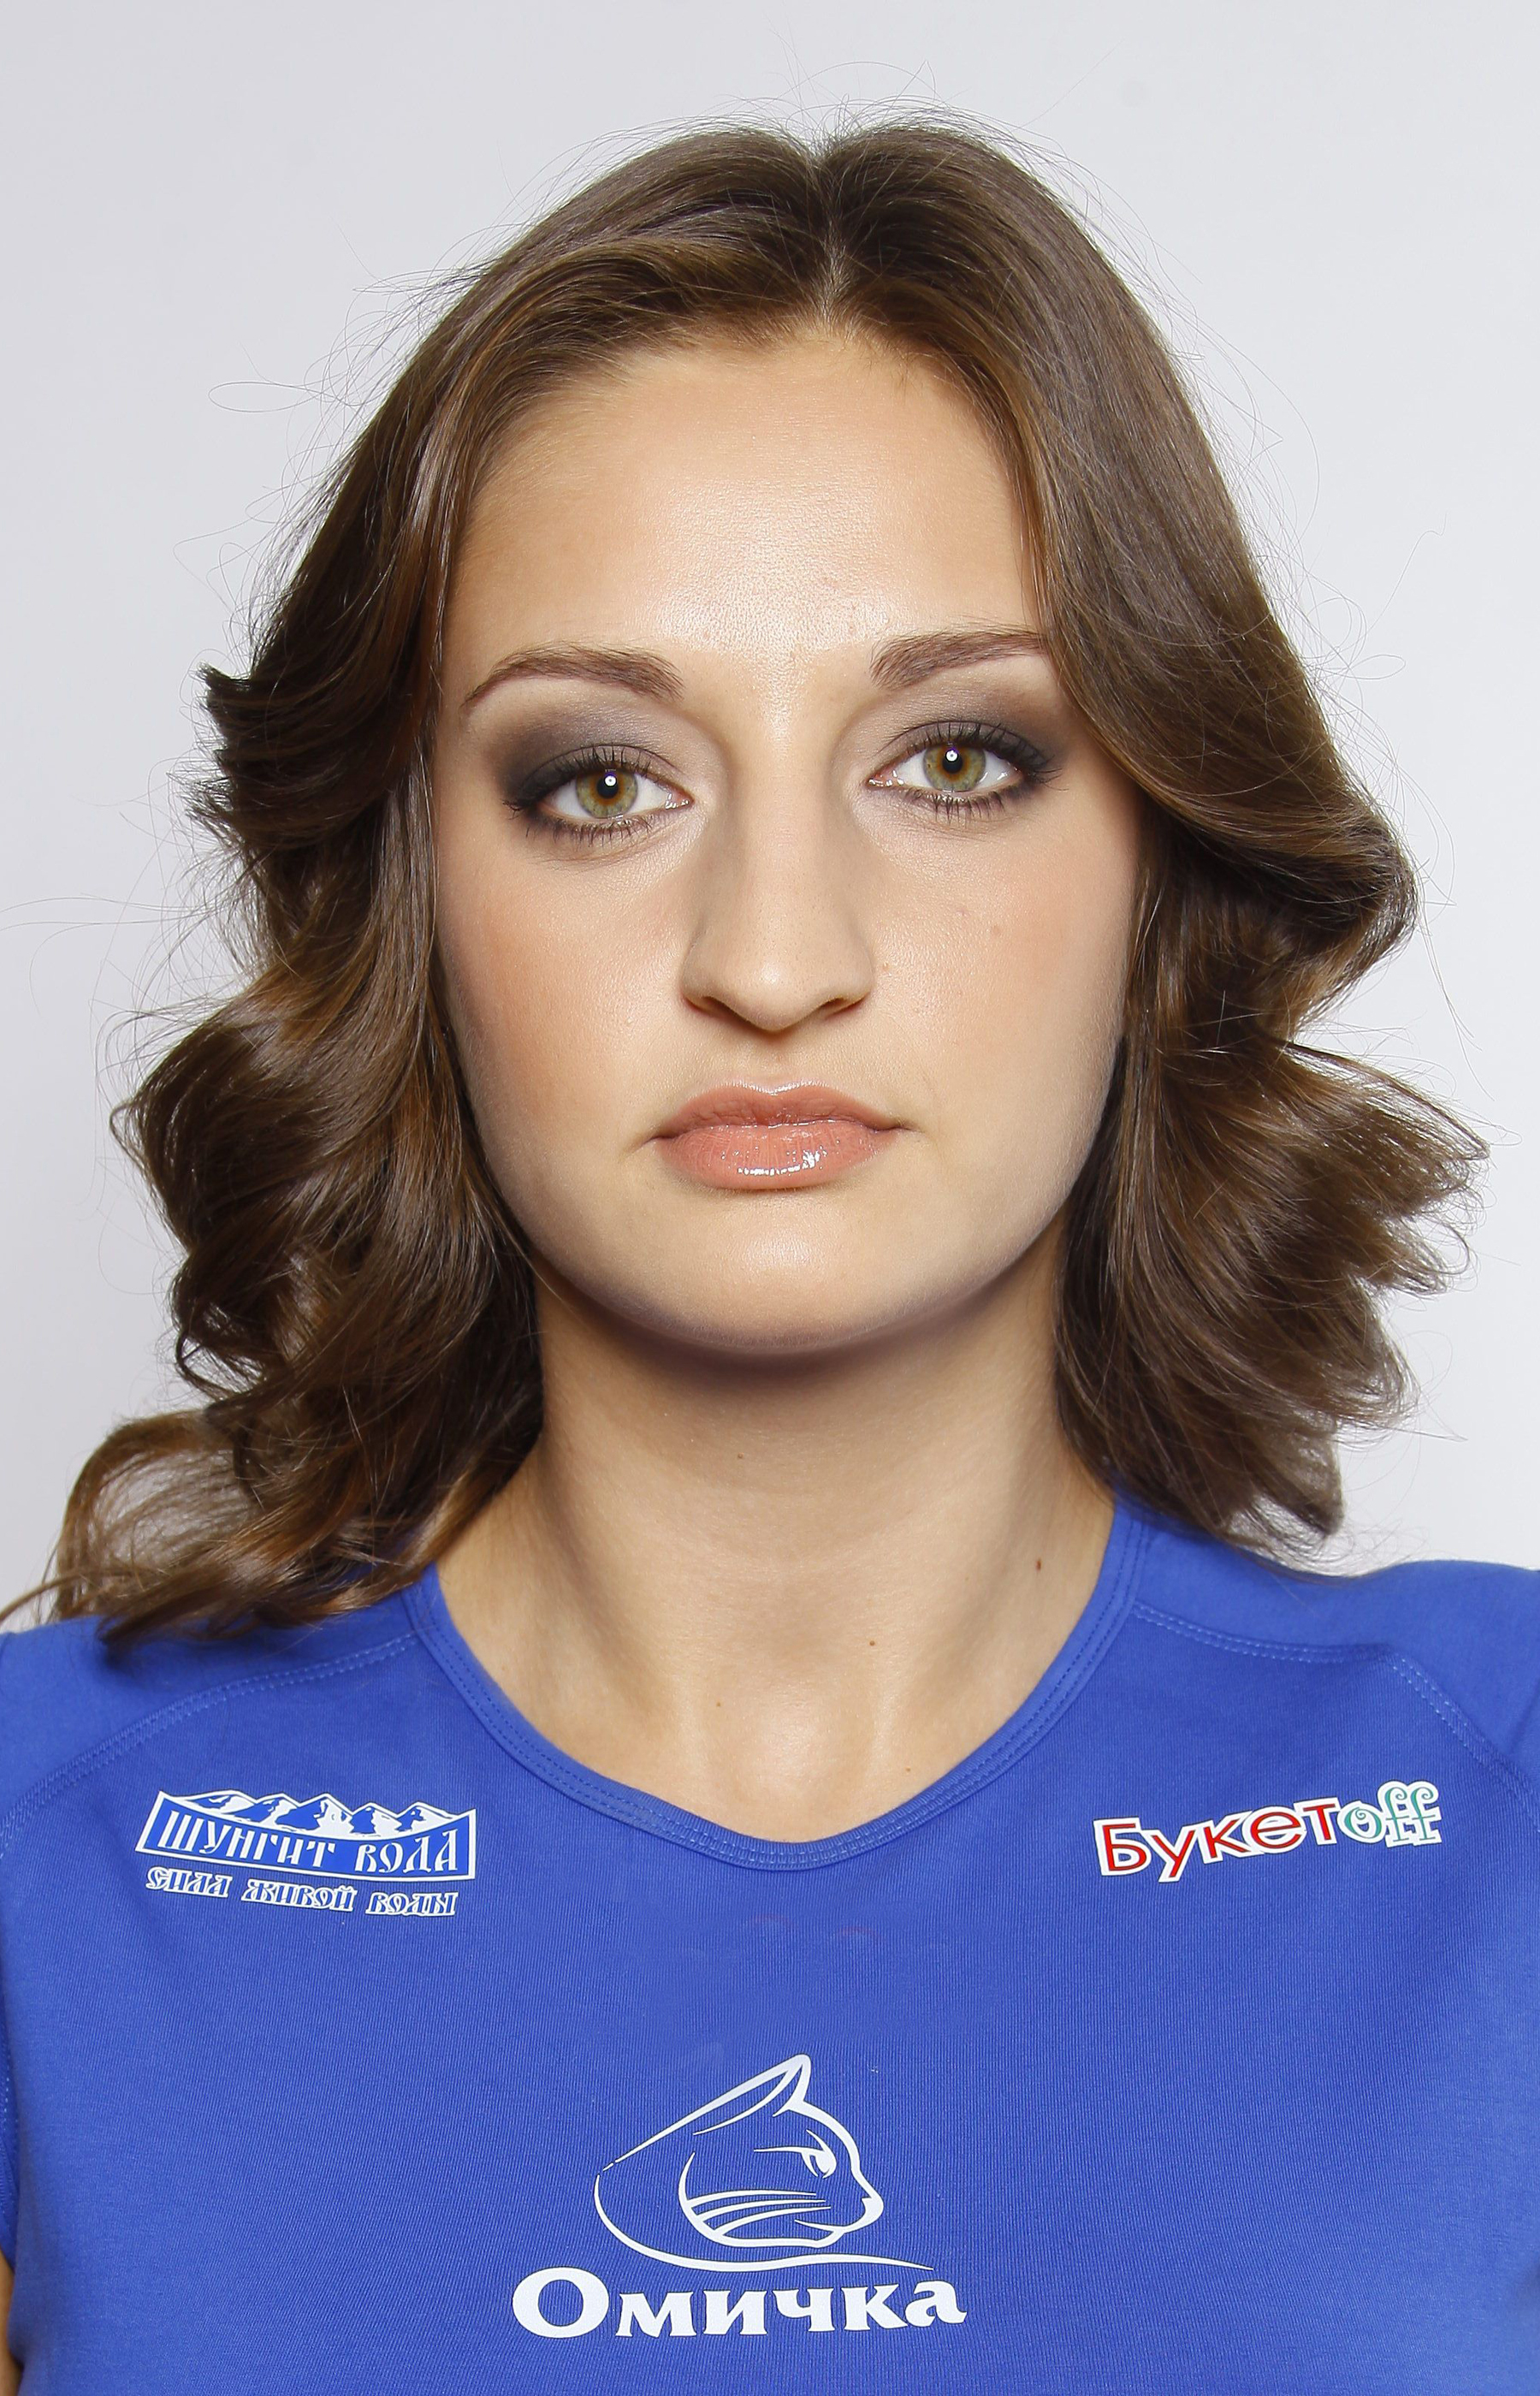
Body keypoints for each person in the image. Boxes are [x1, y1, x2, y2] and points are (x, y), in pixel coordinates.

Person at [0, 117, 1533, 2393]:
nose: (776, 956)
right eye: (603, 781)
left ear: (1162, 869)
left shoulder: (1497, 1797)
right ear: (413, 899)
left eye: (958, 760)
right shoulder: (45, 1855)